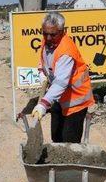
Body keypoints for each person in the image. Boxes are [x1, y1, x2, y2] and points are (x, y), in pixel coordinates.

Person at [32, 12, 95, 143]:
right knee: (56, 136)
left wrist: (43, 104)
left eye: (53, 34)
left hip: (75, 99)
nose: (48, 38)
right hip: (58, 97)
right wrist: (41, 72)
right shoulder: (47, 39)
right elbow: (43, 59)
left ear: (62, 31)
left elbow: (61, 82)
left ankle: (70, 163)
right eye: (45, 33)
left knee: (69, 141)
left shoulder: (66, 51)